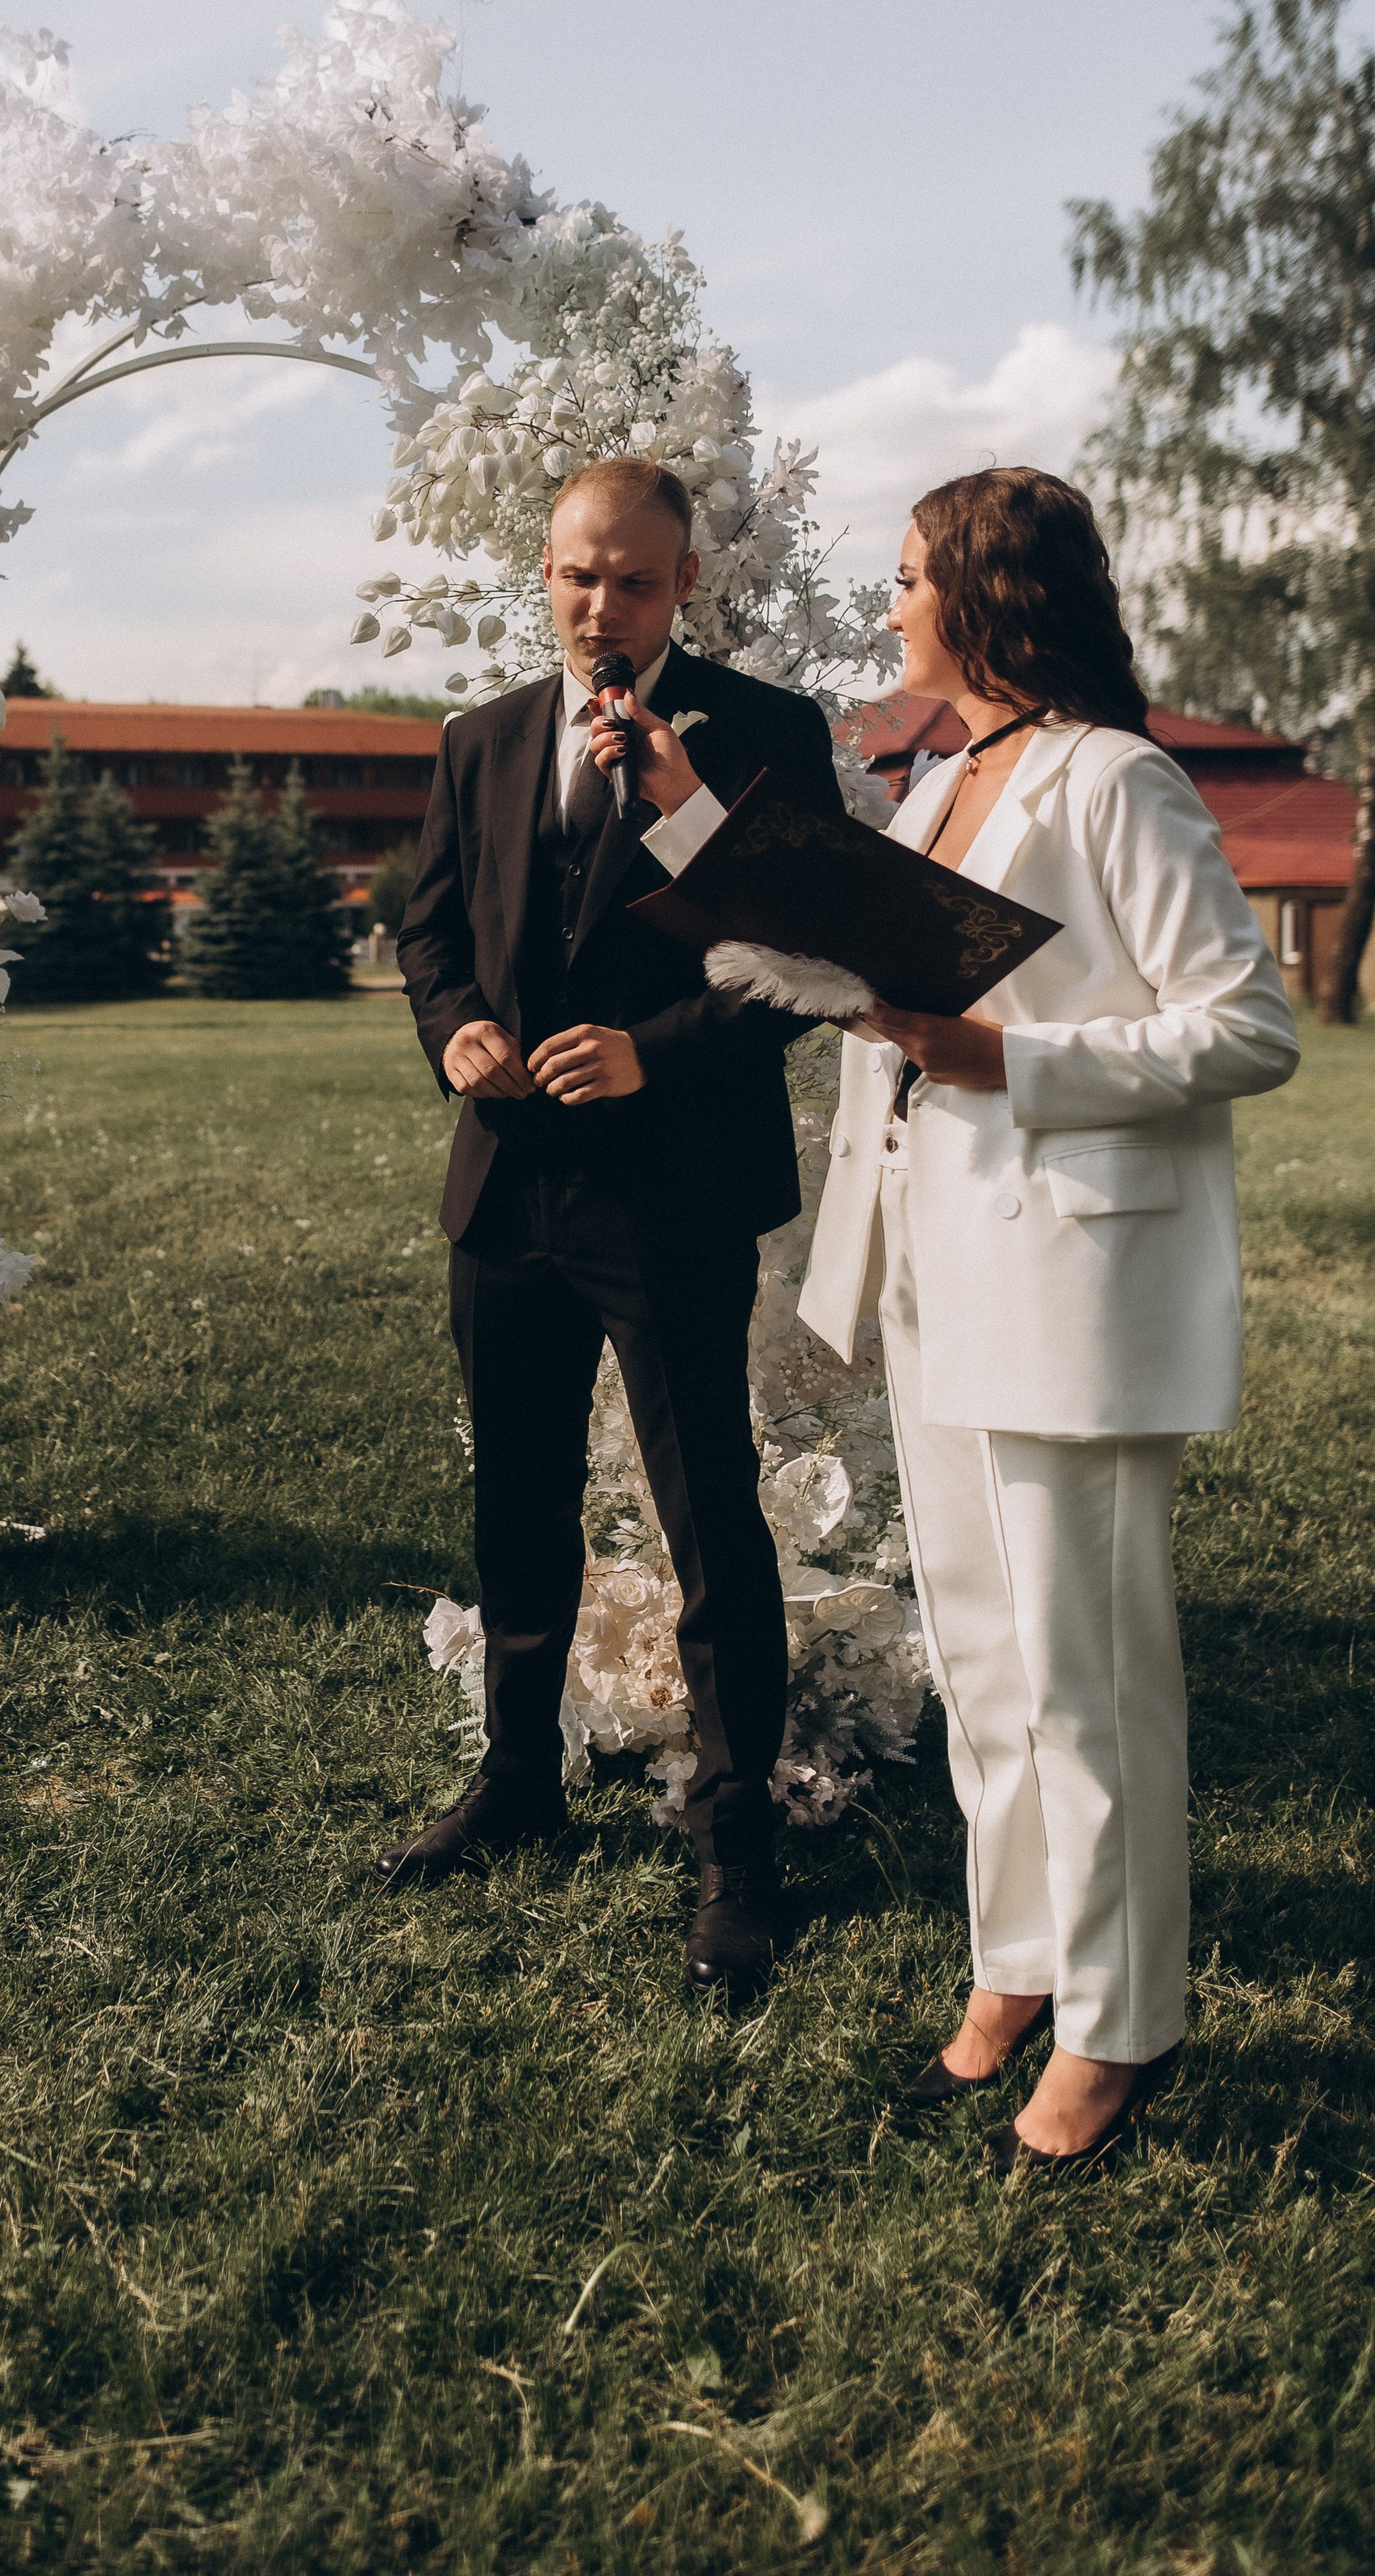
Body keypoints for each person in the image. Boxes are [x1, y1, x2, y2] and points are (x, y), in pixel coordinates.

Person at [790, 467, 1298, 2169]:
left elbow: (1244, 1026)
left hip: (1069, 1275)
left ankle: (1119, 2021)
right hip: (939, 1260)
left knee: (1084, 1674)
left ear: (986, 593)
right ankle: (1014, 1962)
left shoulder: (1114, 781)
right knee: (984, 1658)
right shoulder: (939, 775)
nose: (887, 603)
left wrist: (1013, 1059)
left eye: (906, 574)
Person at [387, 457, 843, 1994]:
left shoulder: (770, 736)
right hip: (507, 1184)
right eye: (582, 575)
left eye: (636, 582)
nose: (605, 606)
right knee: (517, 1503)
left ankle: (735, 1853)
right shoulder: (481, 737)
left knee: (708, 1516)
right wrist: (452, 1029)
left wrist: (660, 1051)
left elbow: (806, 957)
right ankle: (519, 1783)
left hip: (674, 1188)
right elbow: (430, 926)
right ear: (547, 567)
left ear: (685, 586)